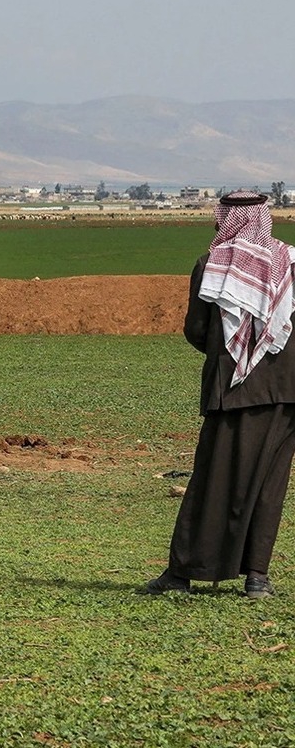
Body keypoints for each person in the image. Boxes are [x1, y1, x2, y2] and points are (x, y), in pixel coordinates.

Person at [145, 190, 295, 598]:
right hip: (286, 392)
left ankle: (181, 573)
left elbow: (196, 330)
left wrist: (227, 351)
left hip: (233, 390)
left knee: (212, 478)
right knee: (269, 482)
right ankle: (256, 578)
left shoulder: (212, 265)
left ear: (227, 218)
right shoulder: (291, 262)